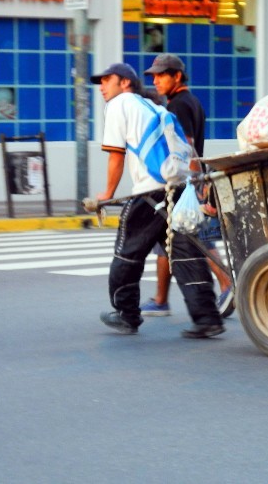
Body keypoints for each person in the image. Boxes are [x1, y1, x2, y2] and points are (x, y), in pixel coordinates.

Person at [91, 61, 224, 338]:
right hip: (177, 186)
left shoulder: (120, 104)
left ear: (124, 83)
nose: (102, 86)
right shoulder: (153, 106)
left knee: (127, 251)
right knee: (186, 253)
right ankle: (207, 318)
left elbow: (116, 154)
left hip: (150, 191)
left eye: (107, 80)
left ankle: (126, 314)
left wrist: (107, 194)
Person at [138, 53, 235, 318]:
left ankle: (227, 283)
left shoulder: (179, 106)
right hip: (190, 181)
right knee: (170, 240)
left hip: (185, 183)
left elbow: (187, 147)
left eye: (161, 75)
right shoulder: (190, 102)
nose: (156, 80)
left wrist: (196, 185)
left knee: (194, 239)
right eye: (154, 76)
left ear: (177, 76)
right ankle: (160, 300)